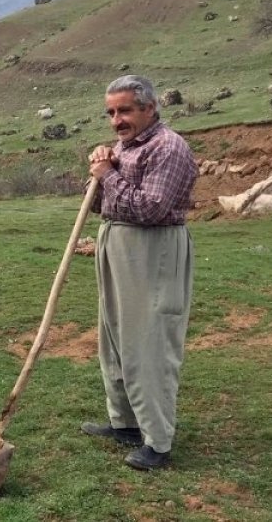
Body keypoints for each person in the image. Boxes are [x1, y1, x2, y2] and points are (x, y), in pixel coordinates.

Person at [80, 75, 197, 471]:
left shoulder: (169, 148)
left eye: (125, 110)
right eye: (111, 113)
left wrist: (107, 176)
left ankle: (158, 441)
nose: (117, 120)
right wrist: (102, 167)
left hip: (152, 250)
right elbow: (101, 204)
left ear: (150, 107)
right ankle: (126, 424)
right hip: (116, 245)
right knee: (114, 339)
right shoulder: (122, 148)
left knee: (148, 344)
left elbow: (151, 209)